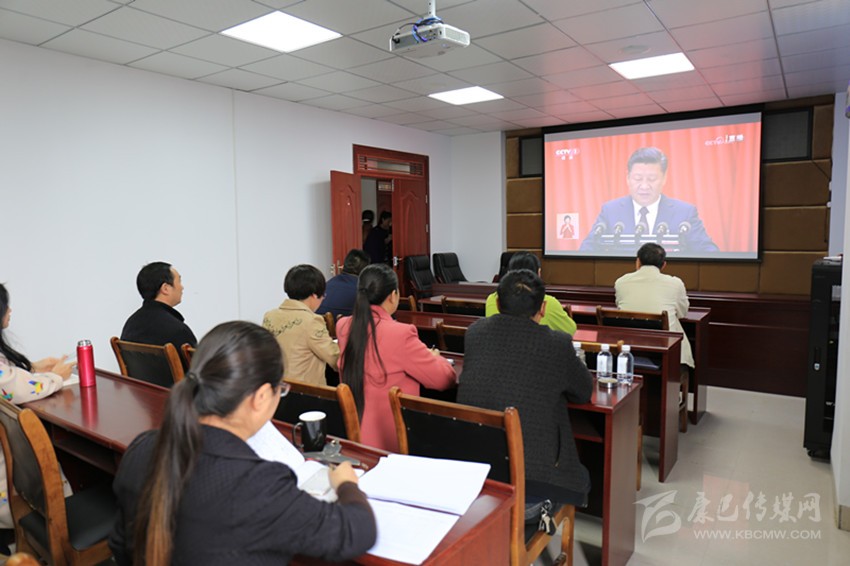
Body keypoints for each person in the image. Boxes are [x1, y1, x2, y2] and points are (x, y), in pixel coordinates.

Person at [108, 321, 376, 565]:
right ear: (261, 397)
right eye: (280, 390)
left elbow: (121, 546)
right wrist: (346, 484)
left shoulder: (142, 448)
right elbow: (357, 531)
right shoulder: (257, 483)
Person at [458, 270, 593, 503]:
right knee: (582, 475)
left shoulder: (475, 333)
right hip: (533, 479)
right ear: (543, 308)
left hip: (477, 465)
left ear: (497, 304)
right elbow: (583, 392)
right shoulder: (557, 344)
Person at [336, 264, 456, 452]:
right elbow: (444, 379)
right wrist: (436, 357)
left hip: (354, 433)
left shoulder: (343, 325)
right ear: (393, 295)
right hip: (394, 441)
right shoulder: (401, 333)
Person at [0, 283, 75, 531]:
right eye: (6, 306)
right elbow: (14, 387)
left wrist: (34, 367)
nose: (10, 311)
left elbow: (9, 376)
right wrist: (57, 377)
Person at [579, 147, 718, 253]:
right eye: (638, 179)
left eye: (652, 179)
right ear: (628, 178)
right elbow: (586, 249)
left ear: (664, 178)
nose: (644, 186)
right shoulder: (610, 210)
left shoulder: (684, 212)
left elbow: (709, 252)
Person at [614, 243, 694, 368]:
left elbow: (619, 307)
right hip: (664, 348)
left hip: (629, 346)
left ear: (638, 262)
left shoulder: (621, 282)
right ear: (663, 265)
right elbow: (682, 313)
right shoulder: (675, 283)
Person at [263, 265, 339, 386]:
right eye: (323, 295)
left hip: (277, 389)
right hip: (305, 392)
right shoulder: (312, 321)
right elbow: (335, 359)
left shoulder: (270, 316)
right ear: (314, 295)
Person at [484, 251, 577, 335]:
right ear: (539, 273)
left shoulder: (492, 299)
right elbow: (571, 330)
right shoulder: (548, 302)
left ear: (508, 273)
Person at [121, 262, 197, 348]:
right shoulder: (179, 331)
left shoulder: (131, 325)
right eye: (179, 281)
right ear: (165, 288)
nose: (182, 287)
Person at [317, 249, 370, 319]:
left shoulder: (326, 284)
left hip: (318, 324)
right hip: (344, 325)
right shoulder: (361, 291)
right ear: (366, 270)